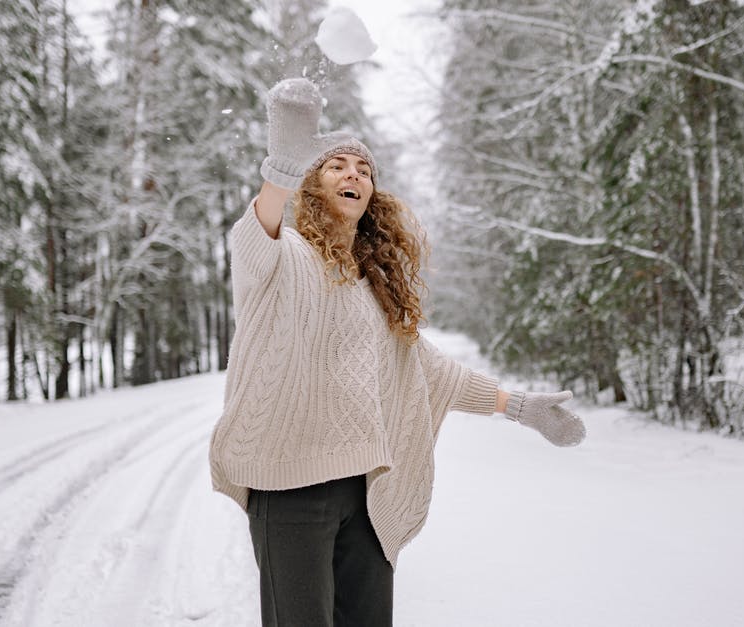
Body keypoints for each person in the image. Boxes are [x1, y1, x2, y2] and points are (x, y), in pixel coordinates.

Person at [207, 78, 586, 627]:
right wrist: (280, 171)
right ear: (312, 184)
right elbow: (253, 235)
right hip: (287, 486)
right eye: (337, 165)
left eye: (363, 170)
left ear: (372, 197)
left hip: (365, 493)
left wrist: (519, 406)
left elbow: (435, 372)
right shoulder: (280, 256)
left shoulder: (373, 289)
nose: (353, 174)